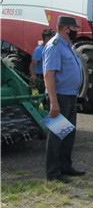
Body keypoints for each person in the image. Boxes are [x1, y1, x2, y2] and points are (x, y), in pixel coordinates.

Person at [42, 16, 84, 183]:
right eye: (75, 28)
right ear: (67, 28)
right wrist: (53, 102)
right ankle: (53, 172)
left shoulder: (68, 46)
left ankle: (65, 166)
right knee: (56, 136)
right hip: (59, 97)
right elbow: (49, 75)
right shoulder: (54, 47)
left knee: (68, 134)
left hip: (70, 96)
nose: (76, 31)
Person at [29, 28, 55, 93]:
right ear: (47, 38)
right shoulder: (39, 50)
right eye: (53, 36)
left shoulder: (52, 49)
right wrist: (33, 75)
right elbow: (32, 65)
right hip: (42, 77)